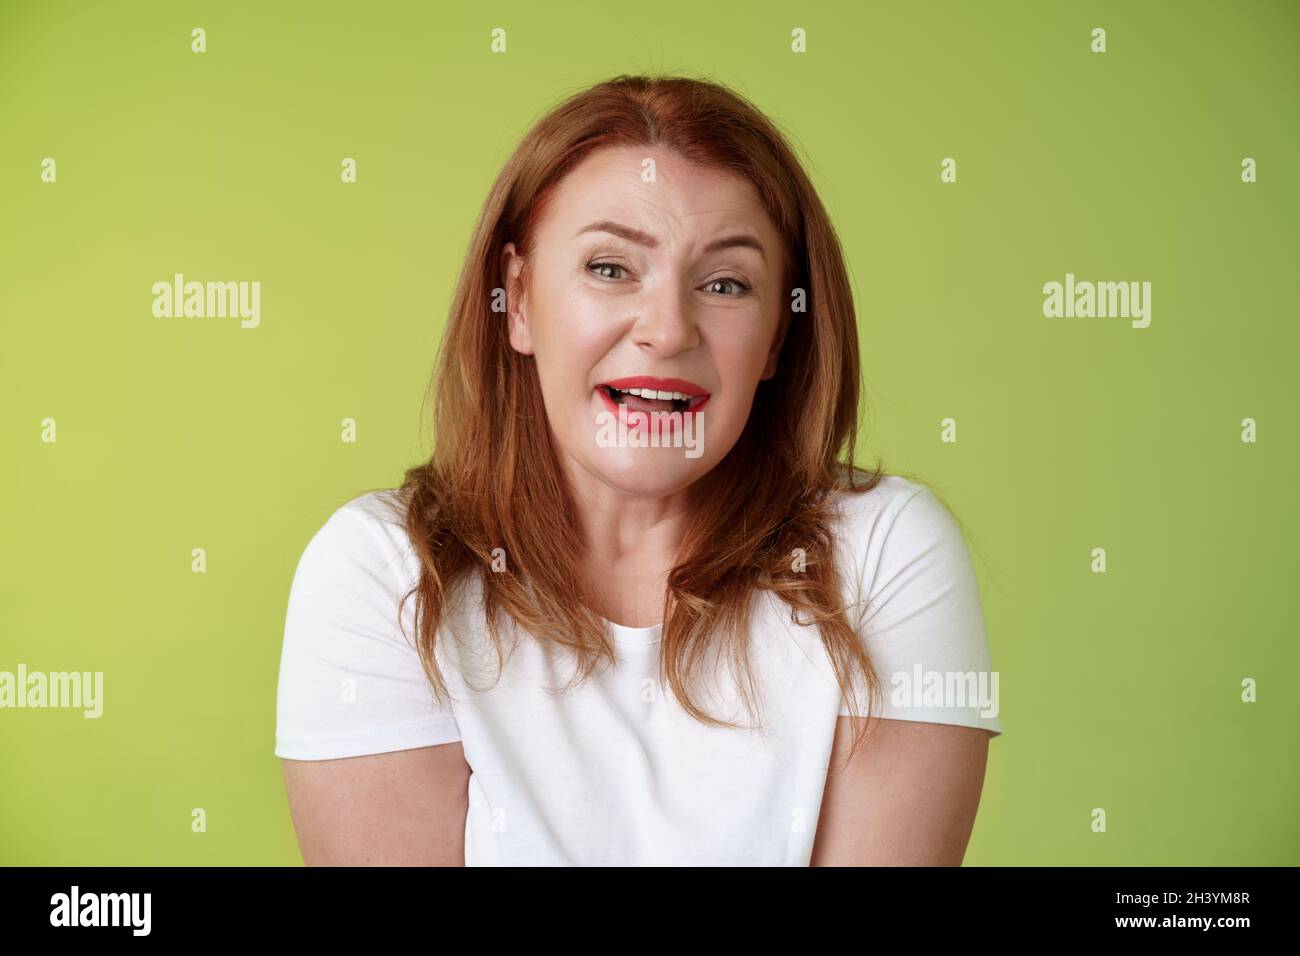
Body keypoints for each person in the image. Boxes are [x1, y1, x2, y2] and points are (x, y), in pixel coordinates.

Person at [274, 73, 1003, 866]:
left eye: (725, 283)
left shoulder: (886, 554)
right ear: (517, 301)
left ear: (777, 339)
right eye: (611, 268)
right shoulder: (383, 574)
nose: (666, 330)